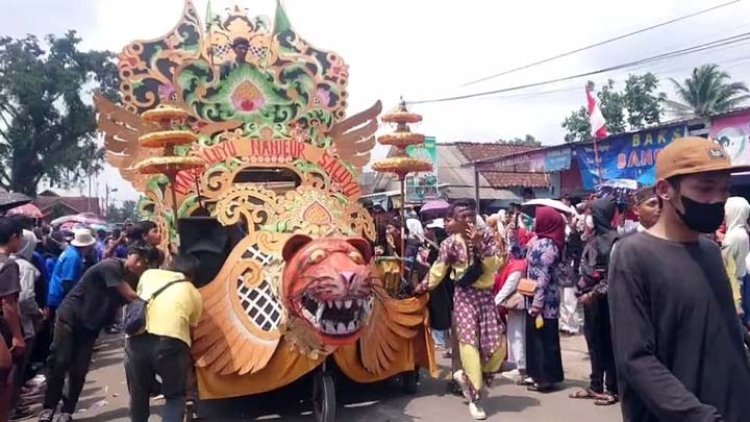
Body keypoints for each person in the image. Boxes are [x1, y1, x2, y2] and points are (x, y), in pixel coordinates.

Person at [609, 137, 750, 422]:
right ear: (665, 190)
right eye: (705, 189)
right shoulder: (632, 256)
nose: (717, 200)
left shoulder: (710, 252)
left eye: (723, 190)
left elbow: (724, 330)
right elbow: (636, 360)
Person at [38, 242, 157, 422]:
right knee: (59, 362)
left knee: (79, 369)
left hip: (91, 325)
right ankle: (49, 407)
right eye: (138, 258)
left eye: (145, 263)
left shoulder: (134, 279)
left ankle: (67, 410)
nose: (140, 264)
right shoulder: (110, 266)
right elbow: (132, 296)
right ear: (129, 254)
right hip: (70, 317)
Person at [415, 200, 504, 420]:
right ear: (453, 221)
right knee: (468, 346)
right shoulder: (449, 244)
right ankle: (475, 398)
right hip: (464, 297)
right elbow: (438, 270)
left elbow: (494, 266)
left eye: (471, 215)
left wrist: (479, 246)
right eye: (462, 217)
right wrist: (422, 287)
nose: (468, 220)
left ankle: (468, 377)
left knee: (498, 346)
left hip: (486, 297)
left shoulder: (486, 237)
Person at [125, 253, 203, 422]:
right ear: (192, 275)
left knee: (139, 394)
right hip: (171, 342)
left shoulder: (149, 275)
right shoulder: (194, 293)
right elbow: (191, 331)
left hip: (135, 340)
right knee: (175, 396)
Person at [571, 198, 619, 406]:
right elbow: (584, 268)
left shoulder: (615, 242)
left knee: (608, 344)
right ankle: (595, 385)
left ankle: (612, 389)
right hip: (589, 301)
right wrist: (580, 289)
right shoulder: (592, 239)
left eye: (591, 213)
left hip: (606, 302)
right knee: (593, 343)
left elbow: (613, 276)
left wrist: (593, 294)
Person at [525, 206, 565, 393]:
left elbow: (543, 276)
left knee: (543, 338)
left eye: (538, 218)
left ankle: (545, 378)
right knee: (535, 337)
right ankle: (536, 374)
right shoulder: (539, 241)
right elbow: (519, 255)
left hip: (543, 301)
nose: (534, 221)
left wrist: (537, 303)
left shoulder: (549, 246)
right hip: (533, 297)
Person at [10, 229, 42, 419]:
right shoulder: (25, 267)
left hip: (9, 323)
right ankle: (13, 406)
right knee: (17, 368)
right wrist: (37, 312)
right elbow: (25, 298)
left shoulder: (7, 261)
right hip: (22, 324)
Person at [0, 218, 24, 422]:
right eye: (20, 236)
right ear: (13, 237)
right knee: (6, 379)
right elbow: (8, 305)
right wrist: (17, 335)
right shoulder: (8, 265)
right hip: (3, 330)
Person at [494, 245, 528, 385]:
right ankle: (516, 364)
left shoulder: (517, 266)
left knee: (517, 334)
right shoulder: (516, 264)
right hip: (515, 305)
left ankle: (520, 368)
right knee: (514, 334)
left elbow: (509, 286)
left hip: (517, 304)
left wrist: (495, 302)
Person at [47, 229, 96, 313]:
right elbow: (67, 281)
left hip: (57, 295)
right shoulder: (73, 257)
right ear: (87, 246)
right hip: (60, 299)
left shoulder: (71, 252)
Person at [723, 197, 750, 319]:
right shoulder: (742, 233)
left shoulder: (733, 237)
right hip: (742, 280)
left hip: (736, 287)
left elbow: (728, 268)